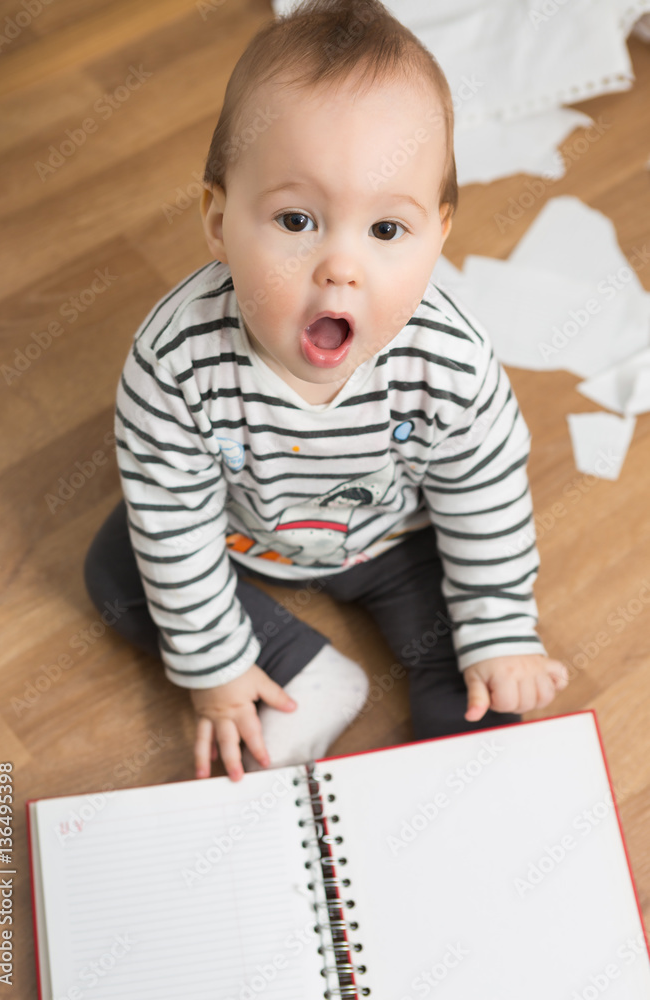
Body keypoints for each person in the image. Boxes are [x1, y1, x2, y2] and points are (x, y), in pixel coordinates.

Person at [84, 0, 569, 782]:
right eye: (297, 218)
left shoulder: (450, 365)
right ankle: (297, 673)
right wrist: (213, 673)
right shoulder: (174, 361)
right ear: (218, 219)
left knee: (480, 684)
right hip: (240, 531)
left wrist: (501, 630)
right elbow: (173, 514)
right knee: (118, 567)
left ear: (438, 234)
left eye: (385, 231)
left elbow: (485, 496)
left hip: (397, 540)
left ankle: (443, 784)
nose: (340, 267)